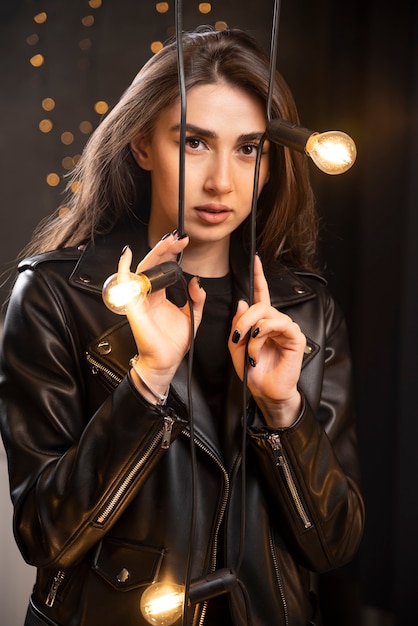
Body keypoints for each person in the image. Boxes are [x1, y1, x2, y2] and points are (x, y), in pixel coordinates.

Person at [0, 27, 364, 626]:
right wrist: (147, 381)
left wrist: (283, 416)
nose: (222, 179)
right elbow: (45, 535)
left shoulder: (305, 310)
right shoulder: (56, 296)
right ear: (143, 144)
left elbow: (334, 544)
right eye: (194, 142)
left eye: (249, 148)